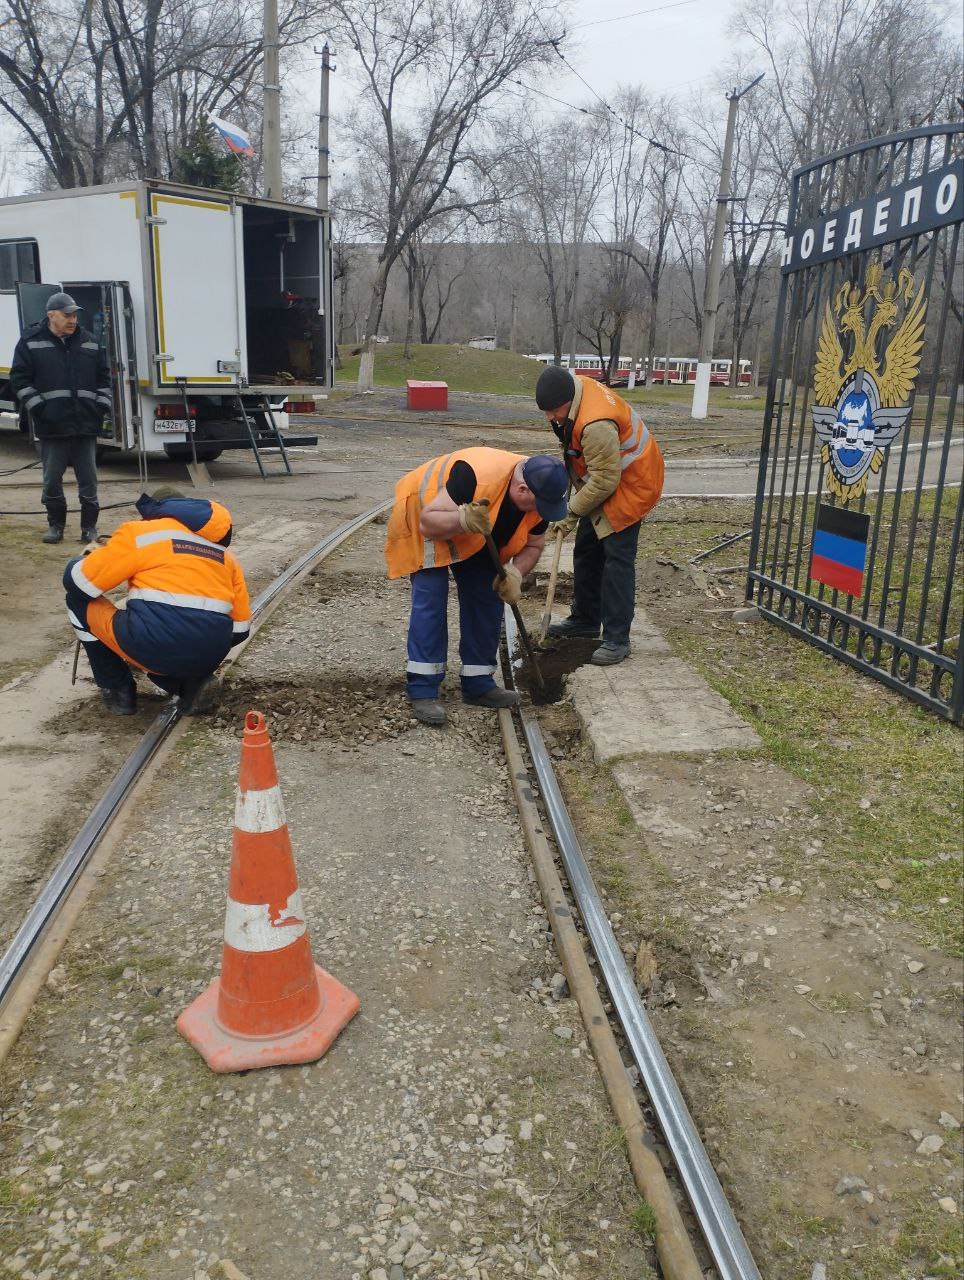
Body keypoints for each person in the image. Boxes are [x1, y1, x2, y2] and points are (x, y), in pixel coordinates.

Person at [385, 447, 568, 726]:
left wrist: (516, 573)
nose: (541, 513)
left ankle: (478, 682)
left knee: (487, 594)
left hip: (477, 529)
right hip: (428, 513)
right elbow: (429, 523)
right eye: (538, 505)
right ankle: (423, 688)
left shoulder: (541, 496)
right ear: (521, 490)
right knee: (432, 596)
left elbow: (534, 544)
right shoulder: (474, 476)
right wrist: (461, 519)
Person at [63, 486, 251, 716]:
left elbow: (79, 583)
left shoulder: (142, 533)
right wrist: (192, 644)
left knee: (77, 602)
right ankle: (190, 685)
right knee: (174, 647)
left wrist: (82, 559)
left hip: (152, 643)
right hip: (210, 654)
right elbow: (240, 630)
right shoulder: (226, 556)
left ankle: (118, 689)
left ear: (155, 511)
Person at [535, 365, 664, 666]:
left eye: (554, 411)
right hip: (604, 477)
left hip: (633, 485)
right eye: (546, 411)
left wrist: (570, 513)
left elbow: (606, 480)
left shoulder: (596, 424)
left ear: (568, 400)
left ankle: (618, 638)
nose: (550, 417)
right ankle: (585, 619)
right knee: (587, 549)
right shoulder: (572, 391)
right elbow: (577, 458)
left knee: (616, 560)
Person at [9, 291, 112, 544]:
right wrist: (41, 409)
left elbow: (104, 379)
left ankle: (89, 528)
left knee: (89, 480)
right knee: (51, 480)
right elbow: (19, 380)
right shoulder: (30, 342)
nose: (73, 319)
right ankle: (56, 526)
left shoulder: (89, 341)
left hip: (85, 424)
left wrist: (101, 406)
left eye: (75, 314)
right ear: (51, 315)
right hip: (52, 425)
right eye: (67, 315)